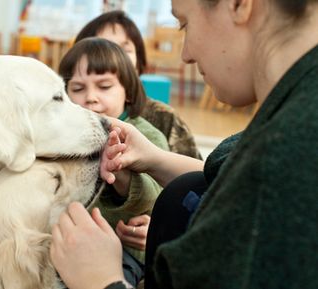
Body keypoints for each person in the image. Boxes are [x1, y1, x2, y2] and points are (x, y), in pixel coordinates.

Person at [50, 0, 318, 289]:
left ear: (239, 4)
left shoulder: (289, 154)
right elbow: (223, 172)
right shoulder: (292, 118)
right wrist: (154, 158)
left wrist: (101, 280)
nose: (186, 54)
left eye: (184, 24)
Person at [58, 37, 169, 287]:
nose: (90, 98)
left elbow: (153, 196)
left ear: (128, 91)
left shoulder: (145, 135)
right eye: (77, 89)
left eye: (104, 86)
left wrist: (120, 173)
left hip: (120, 253)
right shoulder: (64, 136)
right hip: (62, 242)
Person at [74, 10, 202, 159]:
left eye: (124, 50)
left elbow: (196, 178)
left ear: (139, 62)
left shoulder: (163, 118)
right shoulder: (66, 116)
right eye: (103, 49)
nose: (116, 57)